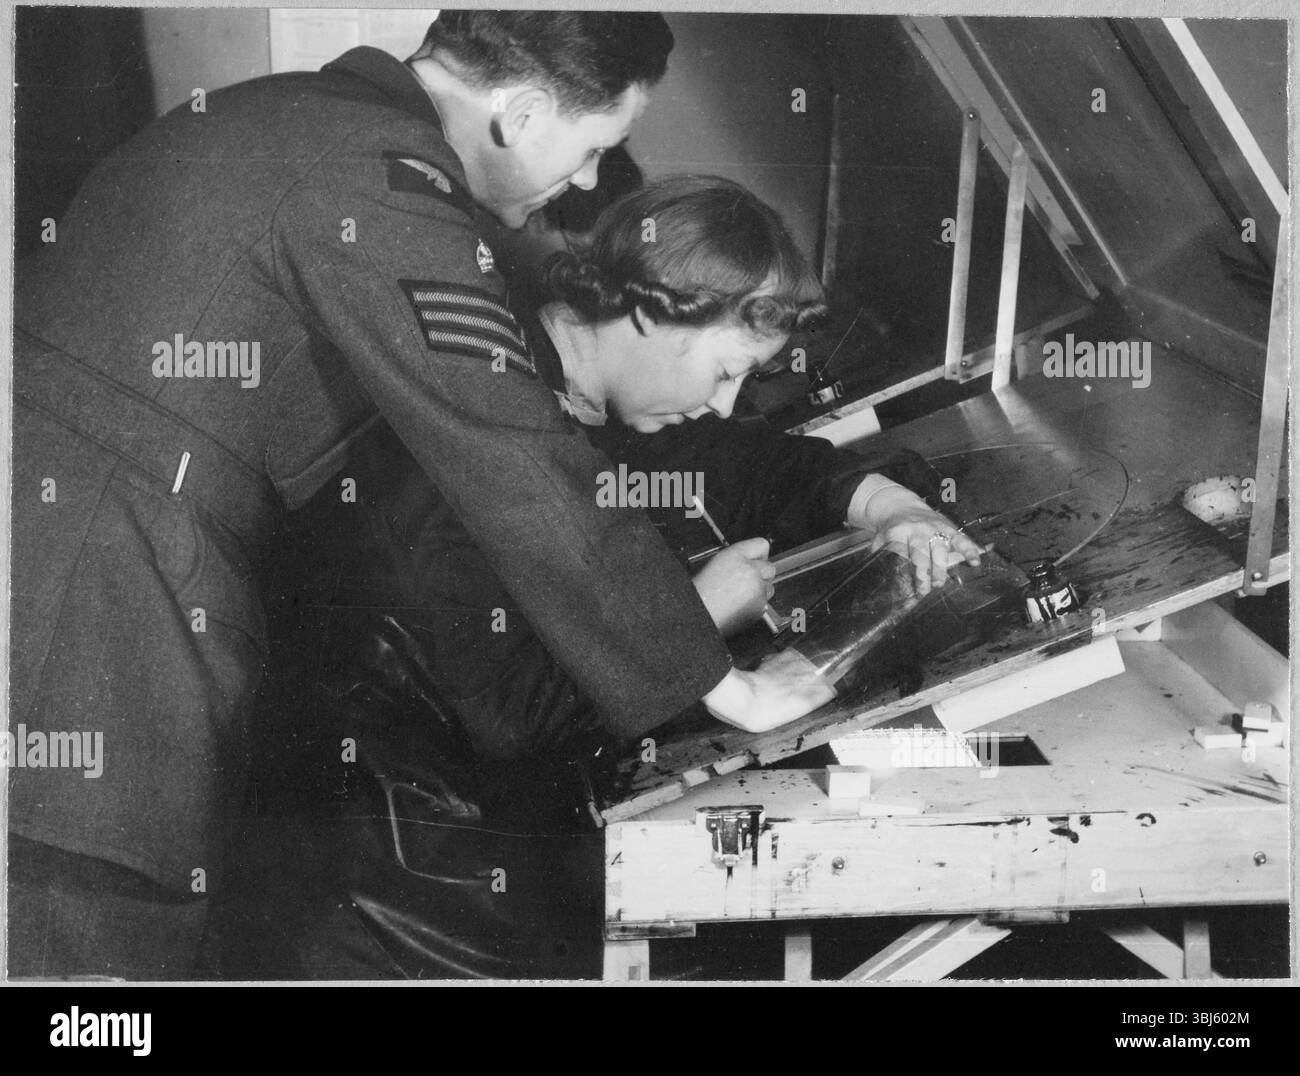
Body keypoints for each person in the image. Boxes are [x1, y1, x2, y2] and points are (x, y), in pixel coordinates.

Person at [7, 12, 826, 981]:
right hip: (92, 646)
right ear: (521, 116)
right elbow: (511, 451)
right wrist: (720, 679)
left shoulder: (295, 116)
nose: (595, 181)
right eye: (596, 146)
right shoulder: (383, 178)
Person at [232, 176, 980, 979]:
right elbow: (510, 710)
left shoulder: (583, 386)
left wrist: (893, 509)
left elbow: (745, 461)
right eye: (725, 370)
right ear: (652, 314)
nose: (725, 404)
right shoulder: (485, 413)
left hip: (461, 819)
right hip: (402, 880)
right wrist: (695, 619)